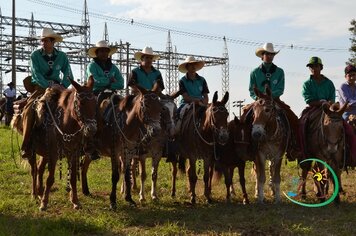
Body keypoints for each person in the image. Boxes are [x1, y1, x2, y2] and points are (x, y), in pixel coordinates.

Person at [21, 27, 74, 159]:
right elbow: (36, 74)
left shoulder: (62, 56)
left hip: (59, 88)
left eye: (46, 40)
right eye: (42, 41)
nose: (44, 43)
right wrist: (49, 85)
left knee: (75, 107)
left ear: (53, 42)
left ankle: (78, 142)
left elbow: (68, 73)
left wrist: (62, 85)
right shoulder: (35, 55)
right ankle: (26, 145)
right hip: (40, 88)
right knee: (30, 108)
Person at [247, 42, 301, 161]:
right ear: (262, 55)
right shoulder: (254, 72)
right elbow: (251, 90)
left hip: (275, 100)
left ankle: (292, 146)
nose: (270, 56)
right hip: (259, 102)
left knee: (292, 118)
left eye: (272, 54)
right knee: (244, 116)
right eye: (267, 54)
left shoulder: (279, 72)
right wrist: (259, 98)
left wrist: (270, 97)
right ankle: (245, 146)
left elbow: (280, 89)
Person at [85, 40, 125, 160]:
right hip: (97, 94)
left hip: (113, 94)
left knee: (126, 109)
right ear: (96, 53)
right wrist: (109, 81)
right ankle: (91, 144)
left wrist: (108, 84)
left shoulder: (113, 67)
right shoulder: (92, 65)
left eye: (106, 51)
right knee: (92, 115)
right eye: (101, 51)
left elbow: (121, 83)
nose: (104, 53)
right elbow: (94, 80)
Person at [299, 57, 336, 158]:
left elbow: (332, 99)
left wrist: (328, 104)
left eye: (316, 66)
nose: (314, 68)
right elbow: (308, 100)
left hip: (329, 109)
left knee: (342, 125)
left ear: (321, 67)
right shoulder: (307, 84)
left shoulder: (329, 83)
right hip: (313, 108)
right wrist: (320, 103)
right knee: (302, 123)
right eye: (311, 67)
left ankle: (345, 152)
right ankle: (303, 151)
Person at [174, 56, 209, 133]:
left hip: (201, 103)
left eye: (194, 64)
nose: (193, 66)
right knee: (179, 115)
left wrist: (204, 103)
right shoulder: (182, 81)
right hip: (186, 104)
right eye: (191, 64)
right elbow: (186, 97)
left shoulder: (202, 80)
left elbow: (206, 95)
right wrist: (197, 101)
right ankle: (176, 134)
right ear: (187, 67)